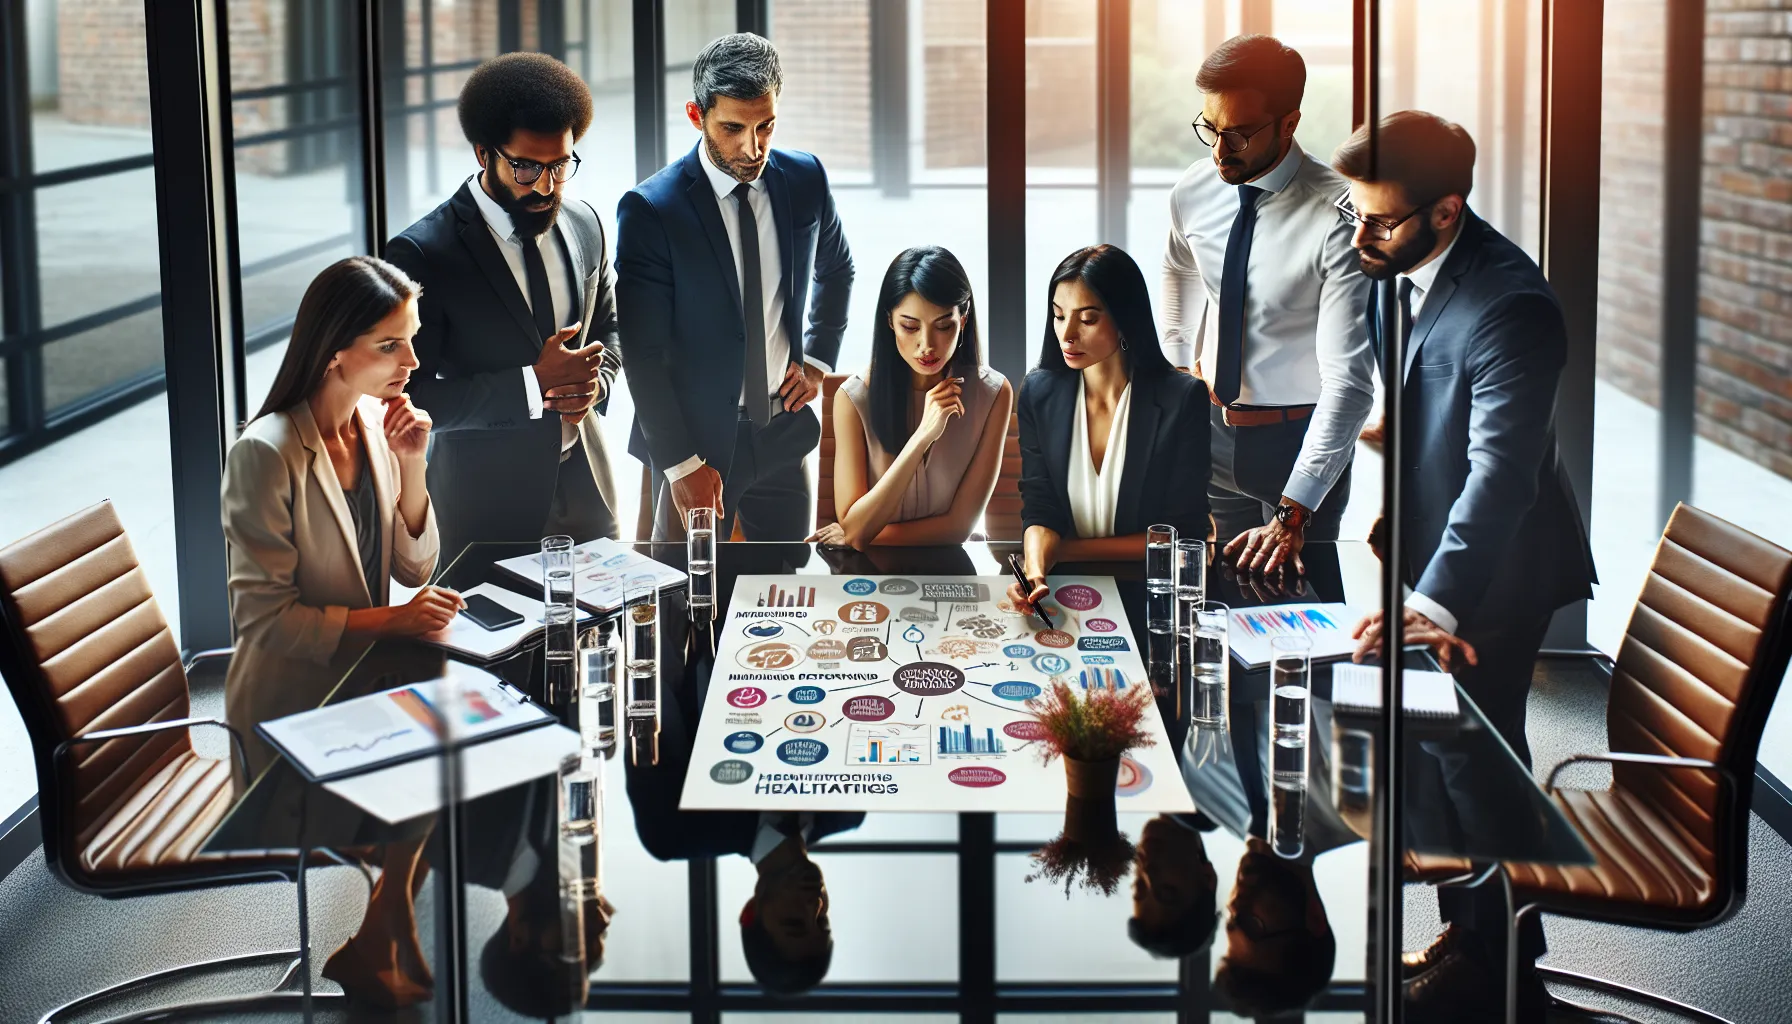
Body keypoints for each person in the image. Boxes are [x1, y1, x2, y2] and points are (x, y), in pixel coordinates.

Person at [1333, 111, 1597, 1022]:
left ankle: (1505, 967)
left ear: (1447, 211)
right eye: (1352, 214)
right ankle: (1480, 943)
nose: (1358, 237)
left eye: (1379, 222)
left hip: (1497, 572)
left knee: (1482, 761)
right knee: (1447, 760)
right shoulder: (1389, 263)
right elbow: (1417, 379)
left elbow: (1503, 474)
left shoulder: (1512, 306)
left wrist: (1438, 601)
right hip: (1429, 548)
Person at [220, 256, 457, 1007]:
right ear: (335, 351)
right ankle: (387, 929)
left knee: (471, 728)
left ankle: (382, 929)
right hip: (290, 712)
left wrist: (414, 465)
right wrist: (393, 622)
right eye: (391, 345)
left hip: (356, 682)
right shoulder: (264, 454)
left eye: (410, 341)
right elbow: (262, 620)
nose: (412, 361)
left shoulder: (369, 426)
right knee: (451, 756)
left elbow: (415, 567)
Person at [384, 52, 623, 559]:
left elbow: (611, 326)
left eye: (560, 164)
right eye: (525, 167)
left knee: (602, 639)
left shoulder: (586, 225)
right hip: (485, 512)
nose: (547, 185)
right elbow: (412, 397)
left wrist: (592, 386)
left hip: (590, 491)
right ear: (482, 154)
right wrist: (533, 384)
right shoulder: (423, 253)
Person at [618, 32, 854, 542]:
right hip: (696, 446)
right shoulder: (652, 210)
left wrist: (817, 362)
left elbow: (837, 270)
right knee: (684, 600)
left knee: (789, 594)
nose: (754, 148)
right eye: (733, 128)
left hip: (781, 435)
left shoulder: (805, 176)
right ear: (695, 115)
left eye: (766, 125)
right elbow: (642, 353)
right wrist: (681, 467)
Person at [1160, 35, 1374, 575]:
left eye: (1238, 134)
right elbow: (1180, 266)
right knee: (1222, 607)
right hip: (1212, 432)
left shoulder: (1339, 218)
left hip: (1296, 444)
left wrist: (1293, 510)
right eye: (1209, 127)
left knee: (1301, 624)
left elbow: (1350, 384)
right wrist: (1181, 359)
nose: (1218, 151)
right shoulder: (1194, 189)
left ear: (1289, 122)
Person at [627, 607, 862, 995]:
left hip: (688, 597)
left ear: (751, 913)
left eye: (793, 922)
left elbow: (649, 688)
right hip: (794, 593)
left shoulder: (673, 831)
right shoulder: (847, 808)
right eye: (823, 922)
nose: (814, 906)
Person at [1006, 245, 1211, 613]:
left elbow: (1182, 534)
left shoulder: (1182, 398)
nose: (1066, 334)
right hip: (1063, 593)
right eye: (1058, 315)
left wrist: (1063, 550)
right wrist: (1035, 570)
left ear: (1124, 319)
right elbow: (1039, 505)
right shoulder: (1038, 392)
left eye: (1087, 320)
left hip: (1151, 597)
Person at [808, 245, 1012, 548]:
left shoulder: (993, 394)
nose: (926, 345)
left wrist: (865, 533)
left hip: (949, 570)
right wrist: (921, 438)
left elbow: (958, 528)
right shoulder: (853, 399)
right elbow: (856, 530)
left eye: (943, 326)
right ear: (890, 321)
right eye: (910, 326)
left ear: (964, 319)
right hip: (872, 576)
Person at [1214, 838, 1337, 1017]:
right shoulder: (1354, 815)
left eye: (1231, 921)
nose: (1233, 904)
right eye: (1250, 924)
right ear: (1314, 918)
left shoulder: (1221, 814)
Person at [1127, 814, 1221, 960]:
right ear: (1207, 877)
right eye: (1166, 891)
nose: (1147, 872)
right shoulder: (1212, 804)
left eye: (1139, 886)